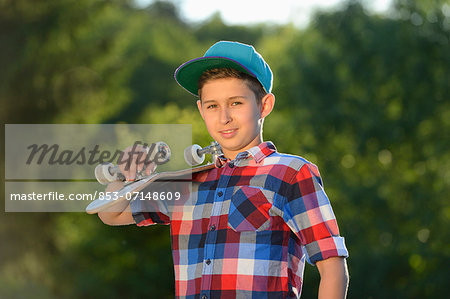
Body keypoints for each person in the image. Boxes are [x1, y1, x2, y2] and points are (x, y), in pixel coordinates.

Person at [98, 41, 349, 298]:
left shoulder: (291, 173)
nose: (224, 117)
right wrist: (124, 176)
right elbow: (112, 214)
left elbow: (332, 265)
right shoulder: (188, 184)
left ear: (265, 105)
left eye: (236, 103)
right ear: (201, 110)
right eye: (212, 106)